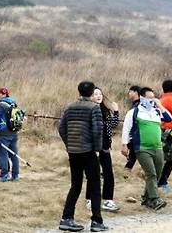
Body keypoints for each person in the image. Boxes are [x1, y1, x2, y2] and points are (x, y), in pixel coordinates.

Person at [58, 81, 107, 232]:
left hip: (73, 152)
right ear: (92, 93)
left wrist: (69, 144)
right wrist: (97, 149)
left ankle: (67, 219)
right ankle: (96, 221)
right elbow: (97, 130)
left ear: (78, 92)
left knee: (76, 185)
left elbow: (61, 128)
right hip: (88, 152)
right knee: (94, 186)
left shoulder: (69, 107)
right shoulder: (94, 108)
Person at [121, 85, 172, 210]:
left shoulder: (155, 111)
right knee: (151, 173)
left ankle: (145, 198)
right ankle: (155, 199)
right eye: (149, 98)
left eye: (153, 98)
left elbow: (169, 118)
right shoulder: (134, 112)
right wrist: (124, 144)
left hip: (158, 147)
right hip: (142, 148)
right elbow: (126, 128)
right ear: (142, 97)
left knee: (158, 174)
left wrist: (159, 104)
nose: (151, 100)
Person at [84, 87, 120, 212]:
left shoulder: (105, 110)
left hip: (105, 148)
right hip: (93, 149)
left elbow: (113, 125)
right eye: (95, 94)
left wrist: (116, 112)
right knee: (93, 175)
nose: (98, 96)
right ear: (90, 96)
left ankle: (108, 200)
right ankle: (89, 199)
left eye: (100, 94)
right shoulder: (88, 110)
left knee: (109, 173)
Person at [157, 79, 172, 191]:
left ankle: (161, 181)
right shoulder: (170, 99)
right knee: (171, 157)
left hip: (164, 130)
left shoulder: (162, 98)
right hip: (169, 131)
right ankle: (162, 182)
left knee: (167, 157)